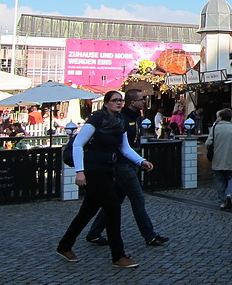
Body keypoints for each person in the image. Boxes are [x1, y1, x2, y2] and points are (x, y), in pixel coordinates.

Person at [56, 90, 154, 269]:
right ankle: (118, 255)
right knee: (113, 207)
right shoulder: (96, 119)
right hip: (93, 170)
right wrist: (80, 171)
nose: (119, 103)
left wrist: (141, 161)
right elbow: (78, 144)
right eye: (115, 100)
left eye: (120, 100)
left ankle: (64, 246)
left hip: (107, 169)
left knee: (87, 211)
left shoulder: (120, 122)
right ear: (106, 103)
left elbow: (124, 148)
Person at [85, 89, 169, 248]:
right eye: (141, 99)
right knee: (138, 199)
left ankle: (94, 233)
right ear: (133, 102)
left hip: (131, 162)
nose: (144, 101)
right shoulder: (121, 118)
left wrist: (140, 161)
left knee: (114, 201)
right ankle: (150, 236)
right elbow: (122, 146)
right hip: (122, 165)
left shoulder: (135, 117)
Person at [206, 108, 232, 211]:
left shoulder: (215, 128)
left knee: (219, 179)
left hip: (218, 158)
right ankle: (229, 194)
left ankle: (222, 201)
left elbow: (208, 143)